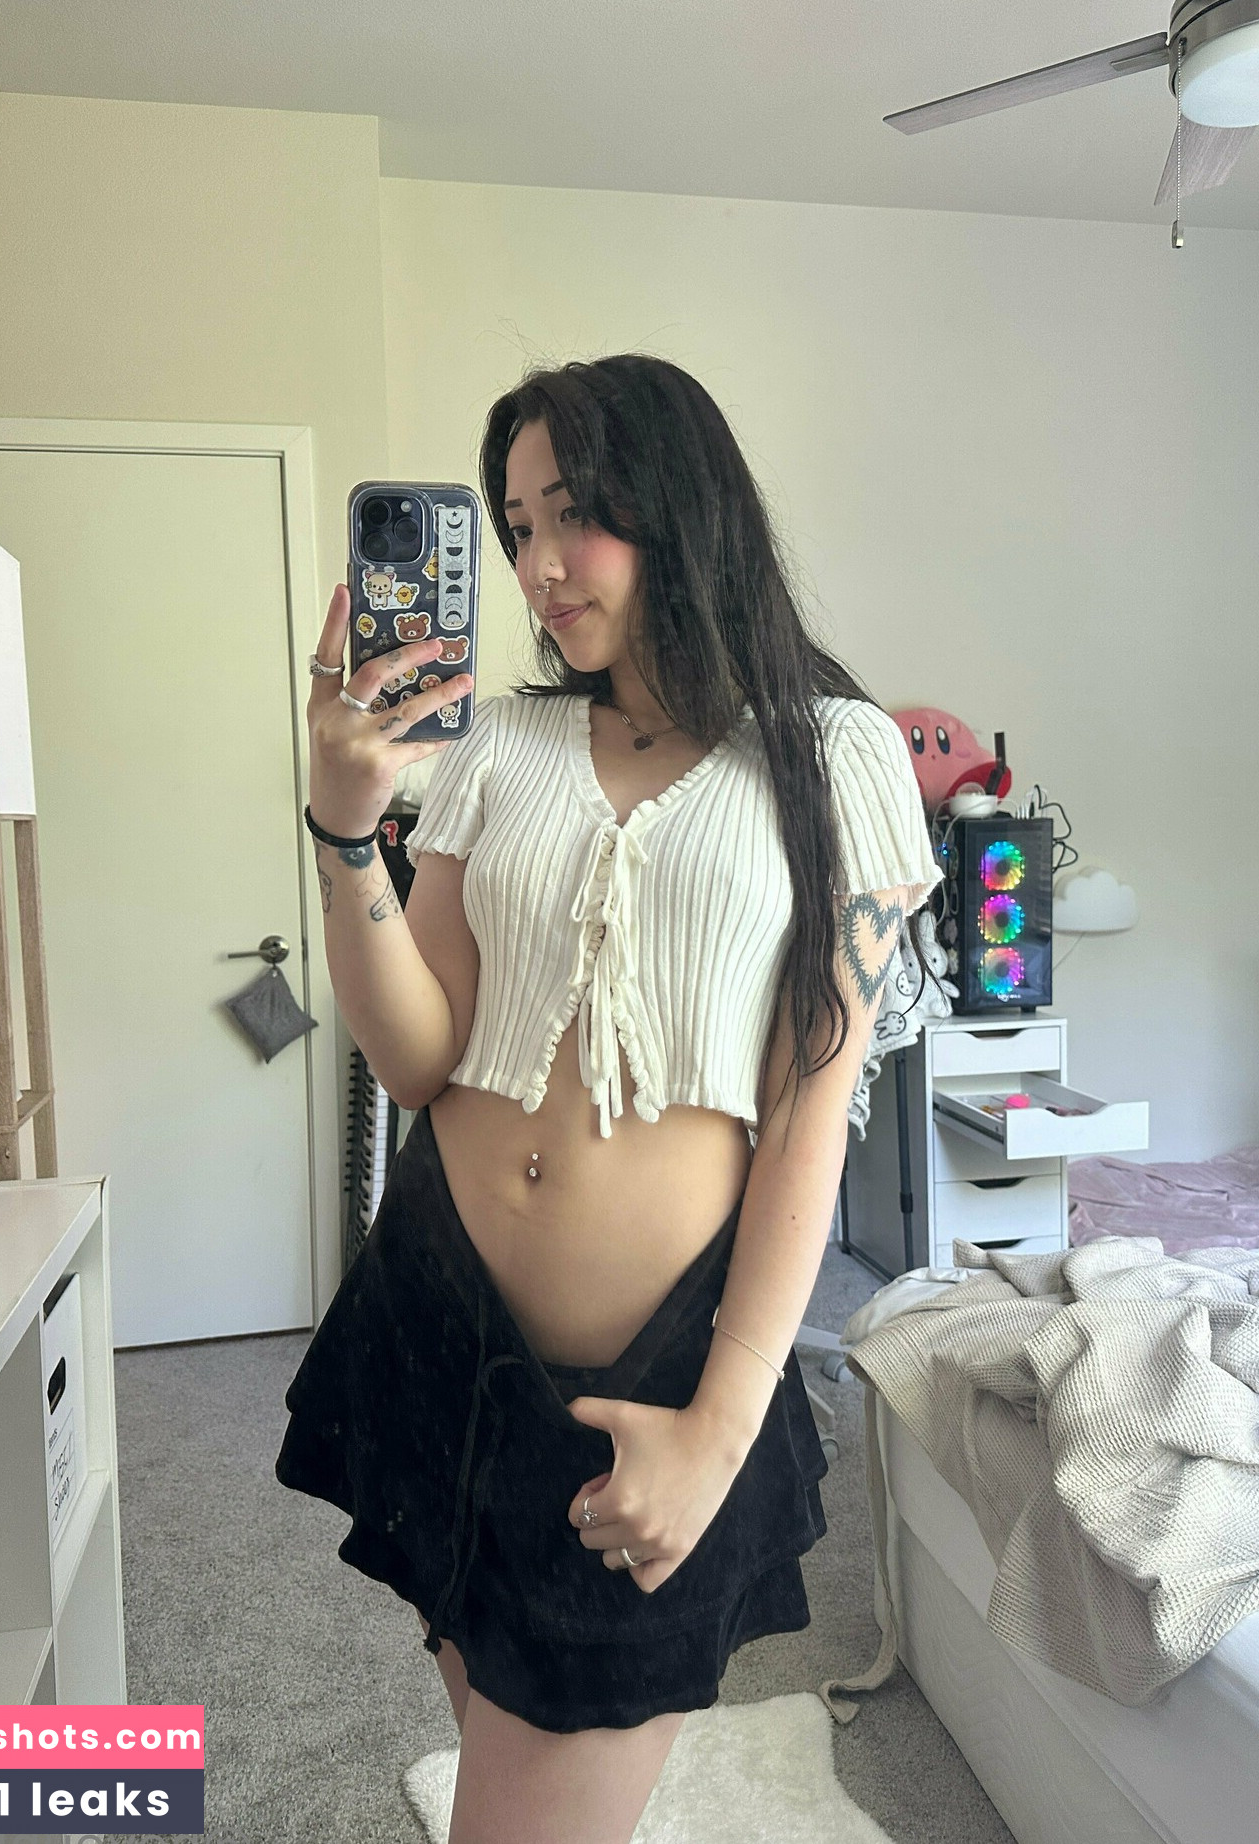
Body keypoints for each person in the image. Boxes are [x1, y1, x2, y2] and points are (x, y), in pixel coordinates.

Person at [274, 353, 944, 1843]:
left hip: (650, 1377)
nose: (538, 565)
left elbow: (809, 1121)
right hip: (440, 1318)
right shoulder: (501, 744)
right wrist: (344, 836)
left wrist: (719, 1430)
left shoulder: (833, 757)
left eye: (574, 513)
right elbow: (418, 1056)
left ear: (679, 504)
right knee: (495, 1720)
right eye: (517, 526)